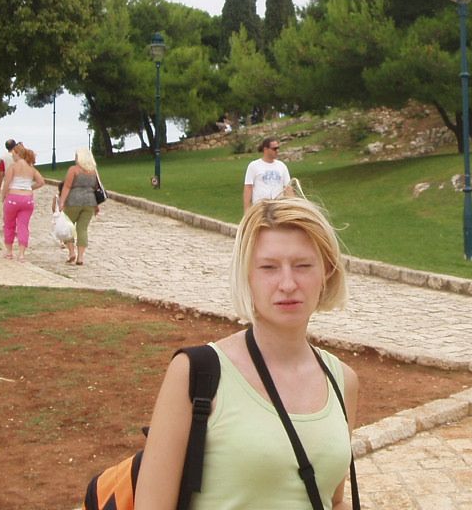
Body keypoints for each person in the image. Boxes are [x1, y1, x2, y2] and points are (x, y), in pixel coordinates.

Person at [135, 194, 358, 510]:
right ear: (247, 276)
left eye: (303, 266)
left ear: (327, 272)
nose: (287, 283)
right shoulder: (196, 374)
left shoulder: (342, 381)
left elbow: (332, 500)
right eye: (269, 267)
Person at [0, 143, 45, 262]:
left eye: (13, 154)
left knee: (9, 224)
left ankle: (9, 252)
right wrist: (29, 188)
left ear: (17, 154)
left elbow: (7, 183)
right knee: (23, 226)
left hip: (13, 198)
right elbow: (41, 182)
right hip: (27, 199)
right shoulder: (31, 168)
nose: (12, 156)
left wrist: (2, 196)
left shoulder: (13, 167)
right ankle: (22, 254)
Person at [57, 146, 101, 265]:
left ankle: (71, 252)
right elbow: (96, 188)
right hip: (89, 202)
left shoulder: (74, 170)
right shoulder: (93, 171)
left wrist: (62, 201)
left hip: (73, 201)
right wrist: (96, 205)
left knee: (67, 227)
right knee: (82, 229)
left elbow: (67, 186)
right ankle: (80, 257)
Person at [243, 136, 294, 211]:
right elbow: (248, 187)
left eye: (278, 148)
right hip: (260, 207)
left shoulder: (282, 166)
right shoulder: (253, 166)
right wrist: (247, 210)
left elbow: (288, 188)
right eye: (274, 149)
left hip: (278, 207)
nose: (277, 151)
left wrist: (292, 207)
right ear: (265, 149)